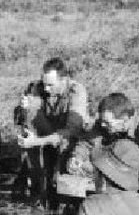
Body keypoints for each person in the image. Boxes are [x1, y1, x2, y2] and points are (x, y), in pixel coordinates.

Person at [14, 57, 88, 207]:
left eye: (50, 85)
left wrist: (37, 141)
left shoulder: (76, 91)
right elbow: (24, 121)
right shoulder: (37, 87)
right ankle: (35, 181)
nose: (46, 89)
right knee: (29, 119)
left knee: (65, 156)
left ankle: (63, 196)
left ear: (64, 80)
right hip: (46, 134)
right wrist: (24, 108)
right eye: (44, 83)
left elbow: (71, 130)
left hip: (65, 138)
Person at [66, 93, 139, 187]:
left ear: (124, 120)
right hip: (107, 174)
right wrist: (77, 157)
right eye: (102, 121)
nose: (103, 125)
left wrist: (99, 172)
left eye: (107, 122)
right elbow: (87, 142)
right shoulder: (103, 124)